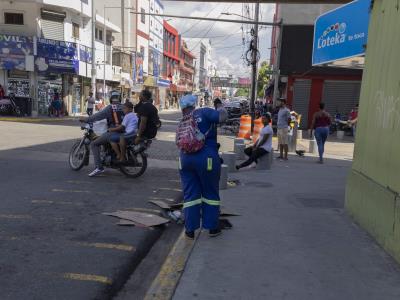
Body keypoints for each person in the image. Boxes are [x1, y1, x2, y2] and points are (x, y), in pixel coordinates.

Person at [177, 94, 228, 239]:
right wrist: (219, 106)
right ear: (194, 104)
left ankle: (189, 230)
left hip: (185, 159)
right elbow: (223, 117)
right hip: (206, 158)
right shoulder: (203, 112)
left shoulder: (183, 120)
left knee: (190, 194)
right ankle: (212, 228)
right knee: (210, 193)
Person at [80, 90, 124, 177]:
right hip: (124, 132)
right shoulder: (124, 107)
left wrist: (86, 119)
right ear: (119, 98)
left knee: (94, 144)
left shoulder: (110, 108)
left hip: (113, 132)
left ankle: (99, 167)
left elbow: (98, 116)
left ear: (111, 98)